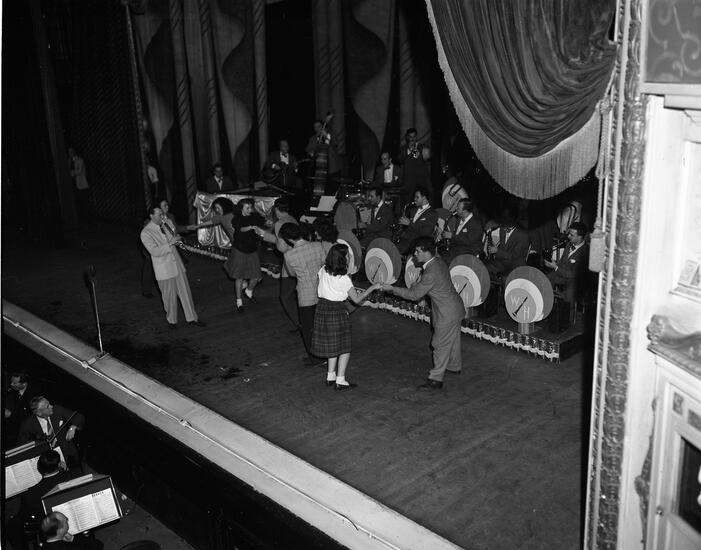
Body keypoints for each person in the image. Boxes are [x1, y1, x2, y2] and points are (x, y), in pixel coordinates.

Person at [380, 237, 464, 390]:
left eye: (418, 251)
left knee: (439, 344)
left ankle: (435, 379)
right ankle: (454, 366)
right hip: (455, 308)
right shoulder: (438, 261)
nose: (415, 254)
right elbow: (432, 286)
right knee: (453, 339)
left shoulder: (430, 272)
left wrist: (392, 288)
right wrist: (420, 287)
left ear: (427, 252)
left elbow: (414, 295)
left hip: (447, 312)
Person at [311, 245, 380, 390]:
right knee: (344, 346)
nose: (350, 257)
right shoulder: (344, 279)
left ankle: (330, 376)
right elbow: (357, 299)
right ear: (342, 259)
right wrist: (372, 288)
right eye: (348, 256)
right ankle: (340, 380)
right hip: (337, 310)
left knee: (333, 344)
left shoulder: (322, 270)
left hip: (322, 308)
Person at [140, 206, 204, 328]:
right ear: (151, 216)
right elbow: (155, 251)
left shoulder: (167, 222)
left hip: (177, 264)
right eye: (159, 215)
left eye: (162, 214)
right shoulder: (146, 232)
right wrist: (171, 243)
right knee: (169, 297)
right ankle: (172, 321)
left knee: (186, 293)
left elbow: (175, 236)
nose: (162, 217)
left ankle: (192, 318)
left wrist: (180, 241)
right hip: (164, 269)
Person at [279, 223, 327, 366]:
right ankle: (328, 354)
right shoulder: (317, 245)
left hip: (305, 295)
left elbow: (292, 274)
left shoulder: (288, 255)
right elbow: (324, 264)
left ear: (288, 239)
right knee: (323, 325)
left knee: (308, 329)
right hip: (322, 291)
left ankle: (316, 359)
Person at [17, 397, 85, 467]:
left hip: (68, 453)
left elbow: (79, 417)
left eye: (49, 403)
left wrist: (72, 428)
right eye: (47, 406)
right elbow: (22, 446)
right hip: (48, 460)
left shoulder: (57, 410)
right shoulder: (27, 425)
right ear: (39, 413)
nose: (51, 406)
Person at [21, 450, 80, 522]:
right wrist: (66, 471)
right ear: (59, 464)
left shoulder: (30, 495)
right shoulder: (76, 475)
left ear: (39, 467)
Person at [230, 199, 266, 312]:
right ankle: (239, 302)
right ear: (241, 208)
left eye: (251, 207)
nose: (250, 210)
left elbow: (265, 221)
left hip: (252, 249)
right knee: (239, 276)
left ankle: (249, 291)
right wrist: (251, 227)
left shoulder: (254, 216)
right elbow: (241, 229)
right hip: (240, 249)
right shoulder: (236, 218)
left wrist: (264, 217)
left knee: (257, 276)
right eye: (247, 208)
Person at [544, 221, 590, 303]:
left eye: (572, 235)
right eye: (569, 234)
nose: (568, 236)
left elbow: (574, 275)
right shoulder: (569, 244)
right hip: (562, 275)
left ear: (580, 237)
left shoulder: (585, 252)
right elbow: (562, 262)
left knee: (568, 296)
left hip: (574, 281)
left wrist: (556, 267)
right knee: (544, 280)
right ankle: (547, 304)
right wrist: (553, 264)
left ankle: (564, 307)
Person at [484, 207, 531, 276]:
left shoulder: (523, 235)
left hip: (515, 266)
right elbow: (498, 246)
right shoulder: (502, 229)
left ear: (513, 219)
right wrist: (490, 245)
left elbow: (515, 256)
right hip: (501, 263)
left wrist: (497, 251)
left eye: (506, 218)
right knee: (482, 268)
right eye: (503, 217)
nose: (503, 220)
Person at [396, 187, 438, 255]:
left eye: (417, 197)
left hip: (419, 245)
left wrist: (409, 223)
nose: (414, 199)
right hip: (406, 242)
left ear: (424, 198)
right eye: (414, 197)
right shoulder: (412, 210)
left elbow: (425, 232)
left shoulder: (432, 213)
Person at [440, 198, 484, 263]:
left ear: (464, 211)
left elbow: (469, 240)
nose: (456, 209)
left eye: (458, 208)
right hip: (457, 249)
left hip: (468, 251)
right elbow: (458, 236)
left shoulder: (476, 224)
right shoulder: (459, 219)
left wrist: (452, 236)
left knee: (443, 260)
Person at [4, 372, 43, 444]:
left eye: (14, 383)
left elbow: (31, 416)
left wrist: (11, 415)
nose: (11, 384)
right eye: (11, 381)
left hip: (25, 434)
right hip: (10, 431)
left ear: (24, 384)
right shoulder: (10, 392)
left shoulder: (34, 396)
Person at [395, 128, 430, 205]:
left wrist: (419, 150)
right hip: (408, 183)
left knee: (421, 203)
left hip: (421, 182)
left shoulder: (422, 147)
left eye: (414, 136)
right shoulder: (403, 149)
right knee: (408, 204)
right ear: (407, 137)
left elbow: (427, 158)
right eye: (410, 137)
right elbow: (399, 159)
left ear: (416, 137)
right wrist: (409, 150)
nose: (412, 139)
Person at [68, 147, 89, 217]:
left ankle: (86, 216)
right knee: (77, 202)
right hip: (73, 185)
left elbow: (79, 171)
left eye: (71, 152)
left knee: (83, 202)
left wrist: (71, 173)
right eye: (69, 152)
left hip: (81, 185)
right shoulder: (69, 161)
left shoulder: (80, 160)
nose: (70, 154)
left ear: (74, 152)